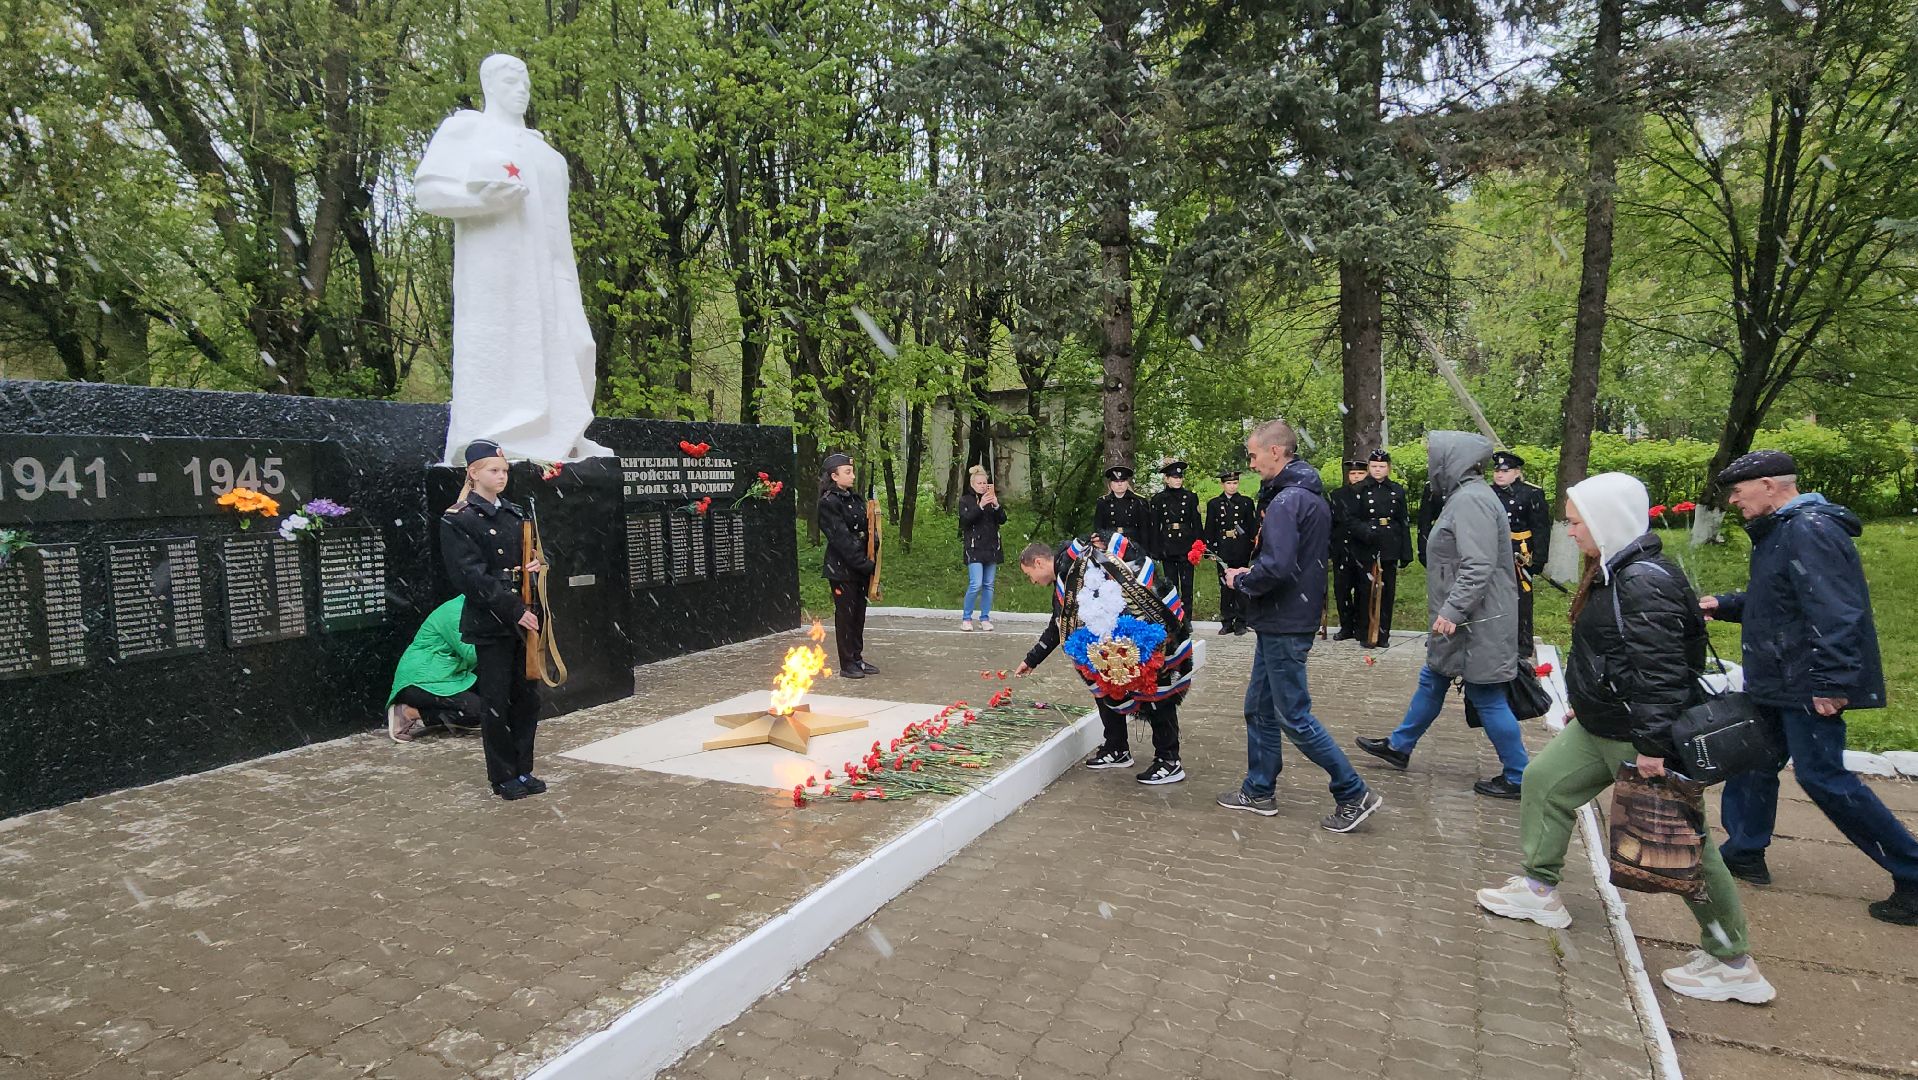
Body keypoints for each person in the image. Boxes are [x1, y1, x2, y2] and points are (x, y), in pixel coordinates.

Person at [1476, 472, 1777, 1004]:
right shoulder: (1615, 569)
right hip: (1604, 723)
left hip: (1638, 733)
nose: (1571, 531)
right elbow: (1612, 655)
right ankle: (1540, 889)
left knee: (1681, 845)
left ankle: (1733, 961)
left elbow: (1661, 672)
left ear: (1606, 521)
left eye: (1577, 523)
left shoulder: (1641, 581)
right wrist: (1589, 702)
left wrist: (1652, 748)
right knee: (1545, 782)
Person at [1702, 450, 1915, 926]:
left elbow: (1837, 611)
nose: (1733, 500)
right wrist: (1726, 604)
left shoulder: (1809, 529)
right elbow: (1781, 599)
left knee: (1823, 778)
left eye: (1739, 490)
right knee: (1752, 759)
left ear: (1769, 485)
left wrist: (1833, 682)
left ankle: (1912, 869)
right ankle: (1744, 852)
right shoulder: (1781, 530)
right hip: (1779, 677)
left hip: (1806, 680)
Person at [414, 54, 612, 464]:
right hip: (499, 269)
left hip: (554, 269)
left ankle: (563, 435)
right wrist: (481, 201)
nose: (521, 89)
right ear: (488, 84)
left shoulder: (547, 153)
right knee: (501, 349)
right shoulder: (468, 130)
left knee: (578, 344)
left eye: (525, 82)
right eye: (510, 81)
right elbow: (428, 192)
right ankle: (498, 441)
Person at [1216, 420, 1384, 831]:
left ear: (1275, 451)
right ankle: (1259, 790)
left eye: (1254, 455)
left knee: (1293, 715)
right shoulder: (1305, 494)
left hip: (1285, 619)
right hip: (1285, 616)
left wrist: (1242, 581)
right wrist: (1254, 574)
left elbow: (1277, 565)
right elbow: (1290, 560)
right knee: (1259, 707)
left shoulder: (1287, 501)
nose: (1251, 464)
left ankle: (1353, 791)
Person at [1355, 431, 1529, 799]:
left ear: (1452, 461)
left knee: (1486, 694)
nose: (1431, 464)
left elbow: (1478, 564)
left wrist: (1453, 609)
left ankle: (1519, 775)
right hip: (1463, 618)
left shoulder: (1471, 501)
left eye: (1434, 457)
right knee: (1433, 678)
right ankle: (1400, 746)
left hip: (1476, 619)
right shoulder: (1464, 496)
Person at [1014, 533, 1193, 786]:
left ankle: (1169, 760)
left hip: (1142, 635)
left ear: (1039, 562)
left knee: (1156, 695)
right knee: (1106, 692)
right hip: (1108, 648)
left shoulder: (1080, 563)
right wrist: (1032, 659)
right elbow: (1058, 626)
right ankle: (1117, 747)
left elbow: (1125, 580)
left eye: (1028, 574)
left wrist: (1128, 635)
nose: (1032, 581)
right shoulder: (1065, 577)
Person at [440, 440, 547, 800]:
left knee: (526, 699)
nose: (501, 477)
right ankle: (503, 775)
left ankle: (524, 767)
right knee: (497, 701)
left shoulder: (515, 514)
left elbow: (531, 561)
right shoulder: (459, 518)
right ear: (473, 473)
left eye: (504, 471)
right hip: (493, 620)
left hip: (524, 616)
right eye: (493, 470)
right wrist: (515, 610)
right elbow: (471, 577)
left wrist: (537, 567)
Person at [818, 452, 879, 680]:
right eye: (847, 472)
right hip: (842, 569)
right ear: (834, 476)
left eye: (852, 471)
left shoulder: (854, 499)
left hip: (859, 566)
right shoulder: (829, 503)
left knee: (858, 615)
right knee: (846, 616)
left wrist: (873, 543)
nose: (852, 476)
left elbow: (866, 528)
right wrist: (863, 563)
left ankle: (857, 657)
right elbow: (841, 538)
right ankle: (847, 663)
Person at [387, 596, 483, 742]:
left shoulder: (475, 608)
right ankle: (408, 713)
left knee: (490, 703)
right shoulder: (455, 612)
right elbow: (472, 654)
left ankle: (453, 720)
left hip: (448, 677)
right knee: (479, 710)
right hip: (420, 681)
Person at [1491, 451, 1552, 660]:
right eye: (1497, 470)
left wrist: (1539, 558)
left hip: (1520, 554)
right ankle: (1494, 641)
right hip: (1493, 552)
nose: (1499, 474)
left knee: (1521, 599)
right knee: (1492, 597)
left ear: (1517, 472)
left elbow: (1541, 528)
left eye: (1505, 471)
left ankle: (1522, 644)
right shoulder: (1488, 493)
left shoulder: (1530, 493)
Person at [1352, 450, 1412, 648]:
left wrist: (1406, 552)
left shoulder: (1396, 490)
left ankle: (1383, 634)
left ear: (1388, 468)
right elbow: (1350, 519)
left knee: (1387, 591)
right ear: (1369, 467)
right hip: (1366, 543)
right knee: (1366, 590)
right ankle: (1367, 633)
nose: (1378, 470)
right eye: (1374, 466)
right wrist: (1365, 531)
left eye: (1382, 466)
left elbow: (1403, 521)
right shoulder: (1359, 489)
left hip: (1389, 543)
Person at [1148, 461, 1203, 628]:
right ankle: (1173, 618)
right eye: (1174, 477)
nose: (1178, 480)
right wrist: (1155, 549)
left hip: (1186, 545)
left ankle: (1187, 619)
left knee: (1187, 585)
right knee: (1171, 585)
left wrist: (1199, 545)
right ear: (1166, 479)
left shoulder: (1190, 497)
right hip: (1168, 546)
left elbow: (1196, 523)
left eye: (1180, 477)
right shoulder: (1158, 499)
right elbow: (1154, 526)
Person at [1204, 468, 1258, 636]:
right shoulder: (1214, 504)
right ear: (1222, 485)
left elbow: (1252, 527)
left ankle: (1241, 621)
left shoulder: (1246, 502)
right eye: (1229, 483)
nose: (1232, 486)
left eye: (1235, 483)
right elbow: (1210, 528)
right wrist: (1210, 550)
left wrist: (1253, 547)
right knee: (1225, 586)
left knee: (1241, 585)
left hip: (1241, 548)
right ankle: (1227, 621)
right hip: (1223, 549)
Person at [958, 465, 1006, 632]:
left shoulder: (992, 500)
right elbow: (965, 521)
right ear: (972, 484)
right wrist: (980, 506)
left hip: (991, 547)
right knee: (975, 584)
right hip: (974, 547)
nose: (983, 486)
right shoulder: (966, 500)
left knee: (989, 584)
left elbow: (1002, 519)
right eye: (979, 483)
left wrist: (996, 505)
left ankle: (985, 617)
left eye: (985, 483)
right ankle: (966, 618)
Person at [1327, 459, 1370, 641]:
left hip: (1362, 548)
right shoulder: (1337, 495)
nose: (1356, 477)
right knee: (1342, 589)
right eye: (1353, 474)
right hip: (1342, 548)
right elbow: (1331, 523)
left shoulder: (1370, 494)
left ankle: (1361, 627)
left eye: (1360, 473)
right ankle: (1346, 626)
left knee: (1363, 589)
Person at [1093, 466, 1153, 546]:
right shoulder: (1103, 502)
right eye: (1116, 481)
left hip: (1133, 543)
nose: (1120, 484)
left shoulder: (1138, 501)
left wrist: (1144, 549)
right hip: (1110, 542)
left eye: (1123, 481)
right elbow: (1098, 527)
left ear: (1127, 483)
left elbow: (1145, 529)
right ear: (1110, 484)